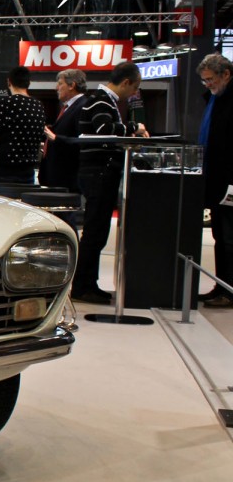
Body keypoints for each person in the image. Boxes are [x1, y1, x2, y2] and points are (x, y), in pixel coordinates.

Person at [71, 62, 149, 304]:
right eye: (134, 88)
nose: (133, 93)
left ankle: (87, 284)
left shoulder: (100, 99)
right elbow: (105, 129)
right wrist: (134, 127)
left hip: (98, 173)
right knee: (95, 232)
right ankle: (83, 287)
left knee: (97, 231)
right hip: (99, 173)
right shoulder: (102, 101)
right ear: (125, 82)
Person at [196, 53, 233, 307]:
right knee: (221, 236)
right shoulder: (215, 99)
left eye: (210, 79)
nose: (207, 84)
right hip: (217, 181)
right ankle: (221, 286)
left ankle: (228, 290)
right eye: (204, 80)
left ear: (226, 74)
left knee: (230, 238)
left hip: (230, 182)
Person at [0, 66, 46, 189]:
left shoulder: (6, 103)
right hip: (28, 170)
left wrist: (0, 139)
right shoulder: (38, 106)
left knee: (1, 206)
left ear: (9, 82)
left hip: (5, 169)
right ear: (29, 83)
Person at [40, 69, 89, 192]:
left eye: (60, 83)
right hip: (57, 176)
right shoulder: (68, 107)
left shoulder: (83, 106)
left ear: (72, 85)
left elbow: (82, 140)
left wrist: (55, 138)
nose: (56, 88)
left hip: (67, 179)